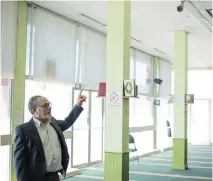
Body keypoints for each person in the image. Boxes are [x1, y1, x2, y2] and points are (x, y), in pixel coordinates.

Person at [14, 90, 86, 181]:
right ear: (33, 110)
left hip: (55, 177)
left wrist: (78, 105)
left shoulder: (53, 122)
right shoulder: (24, 130)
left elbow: (67, 122)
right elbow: (19, 162)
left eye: (49, 104)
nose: (49, 107)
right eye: (45, 105)